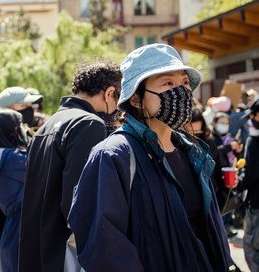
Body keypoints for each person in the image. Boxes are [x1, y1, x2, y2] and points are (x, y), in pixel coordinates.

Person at [68, 43, 231, 271]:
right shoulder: (113, 157)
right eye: (167, 83)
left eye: (184, 82)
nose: (181, 91)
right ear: (135, 98)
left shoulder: (193, 153)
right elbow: (103, 248)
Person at [19, 60, 121, 272]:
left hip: (38, 250)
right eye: (119, 99)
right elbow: (78, 204)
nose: (118, 110)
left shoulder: (47, 124)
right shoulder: (89, 123)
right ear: (109, 93)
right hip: (66, 255)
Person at [0, 109, 27, 272]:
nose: (23, 129)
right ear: (11, 131)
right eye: (19, 126)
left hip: (10, 233)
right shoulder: (14, 158)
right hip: (23, 232)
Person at [239, 99, 259, 269]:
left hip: (257, 204)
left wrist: (238, 181)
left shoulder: (254, 141)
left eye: (253, 115)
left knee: (253, 248)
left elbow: (249, 176)